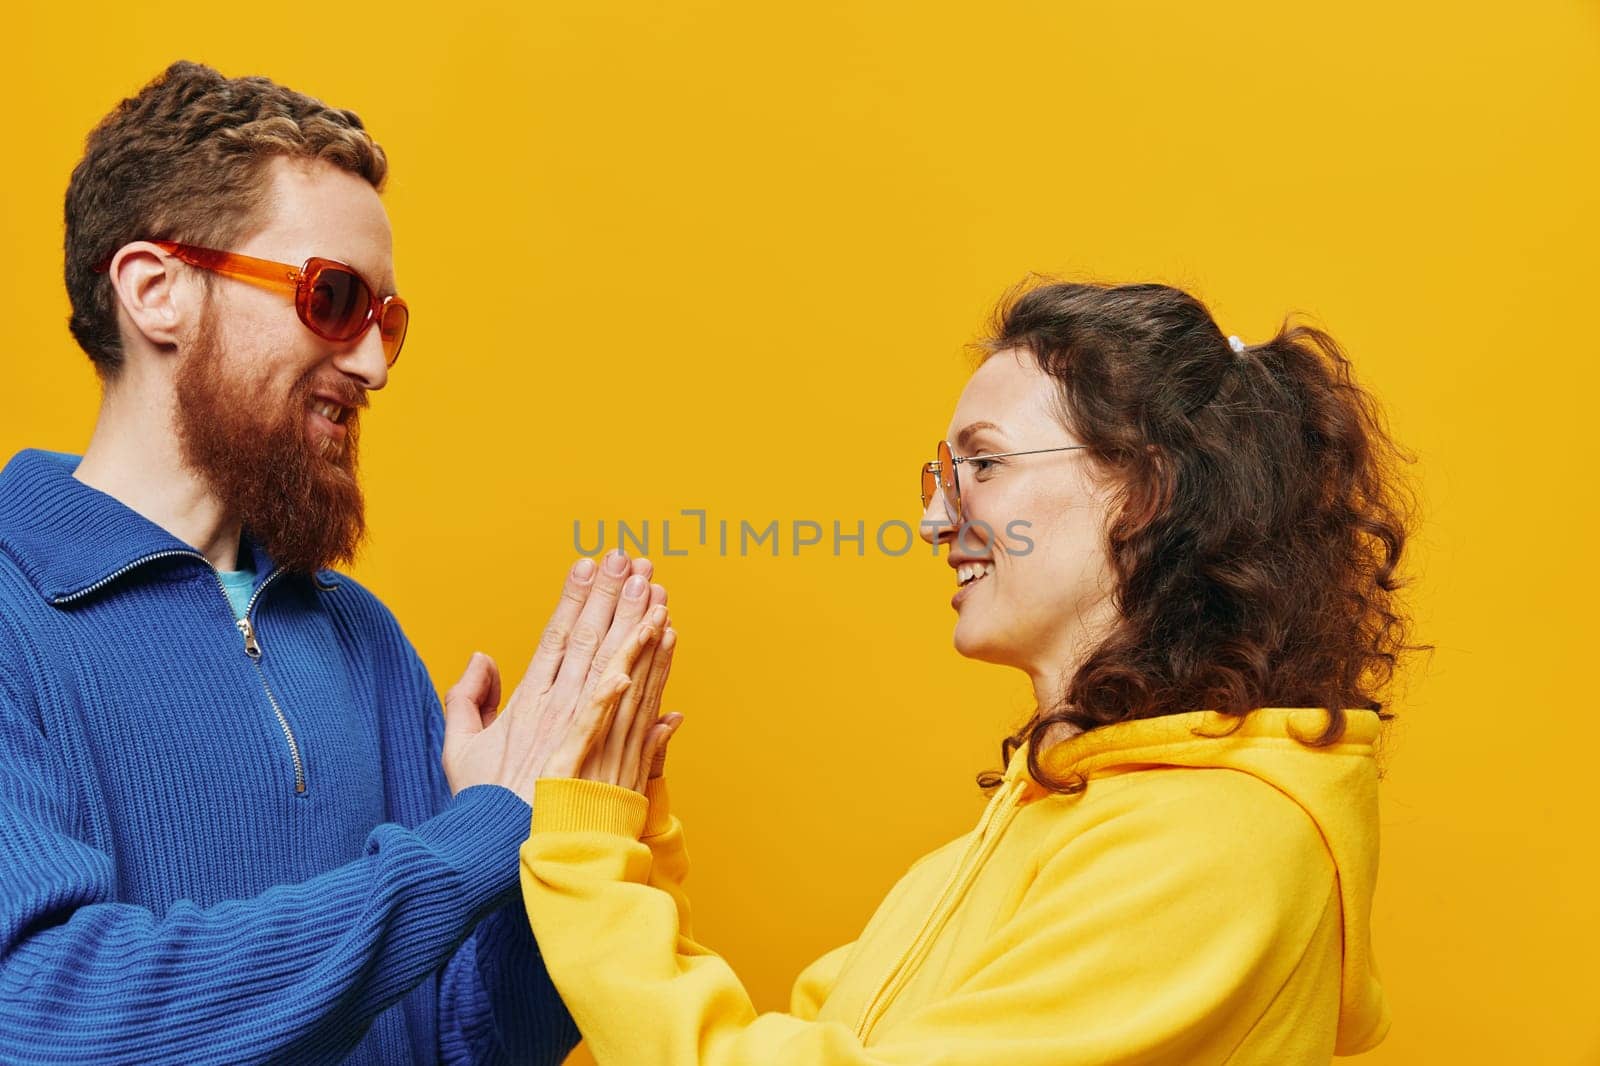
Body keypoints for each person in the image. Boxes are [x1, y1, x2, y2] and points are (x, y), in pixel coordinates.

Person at [511, 281, 1430, 1063]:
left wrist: (589, 861)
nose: (934, 522)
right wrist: (621, 832)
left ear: (1146, 489)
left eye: (983, 463)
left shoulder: (1223, 844)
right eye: (942, 476)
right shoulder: (1020, 835)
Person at [0, 60, 669, 1065]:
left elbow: (457, 1038)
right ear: (155, 291)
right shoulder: (14, 607)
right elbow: (46, 1008)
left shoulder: (360, 639)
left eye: (386, 319)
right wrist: (482, 831)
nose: (373, 363)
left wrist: (572, 839)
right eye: (335, 297)